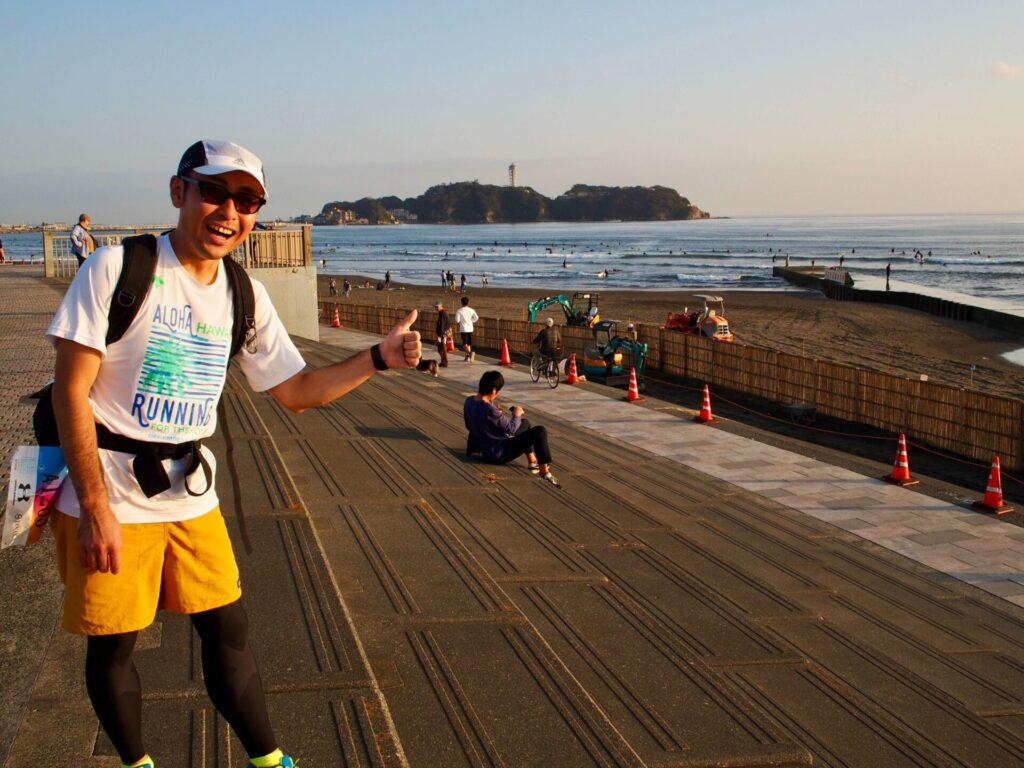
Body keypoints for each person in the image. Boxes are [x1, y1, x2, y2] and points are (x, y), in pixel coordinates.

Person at [46, 139, 421, 768]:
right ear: (179, 192)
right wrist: (93, 506)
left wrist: (377, 359)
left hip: (189, 492)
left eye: (246, 200)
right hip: (106, 490)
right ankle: (138, 764)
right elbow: (70, 391)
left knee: (228, 629)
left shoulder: (243, 293)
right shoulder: (117, 269)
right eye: (215, 192)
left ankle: (268, 761)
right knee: (114, 646)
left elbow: (297, 391)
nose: (229, 211)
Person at [464, 370, 560, 487]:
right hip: (498, 452)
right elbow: (512, 429)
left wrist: (496, 415)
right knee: (540, 431)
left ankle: (532, 460)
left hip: (485, 447)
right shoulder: (489, 409)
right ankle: (544, 471)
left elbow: (469, 426)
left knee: (525, 423)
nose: (497, 394)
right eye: (498, 392)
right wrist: (517, 414)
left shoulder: (469, 401)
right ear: (494, 390)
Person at [455, 295, 479, 363]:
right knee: (468, 344)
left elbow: (457, 320)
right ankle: (467, 356)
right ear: (468, 303)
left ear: (461, 303)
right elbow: (476, 317)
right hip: (470, 328)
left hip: (463, 329)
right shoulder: (472, 310)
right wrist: (471, 320)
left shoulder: (459, 310)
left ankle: (470, 353)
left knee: (464, 344)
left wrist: (460, 321)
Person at [434, 300, 451, 367]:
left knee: (442, 347)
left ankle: (445, 362)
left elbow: (442, 324)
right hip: (443, 333)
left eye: (437, 307)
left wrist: (441, 335)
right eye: (435, 307)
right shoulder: (443, 312)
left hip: (442, 333)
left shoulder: (442, 313)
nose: (436, 308)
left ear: (441, 306)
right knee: (441, 348)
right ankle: (443, 361)